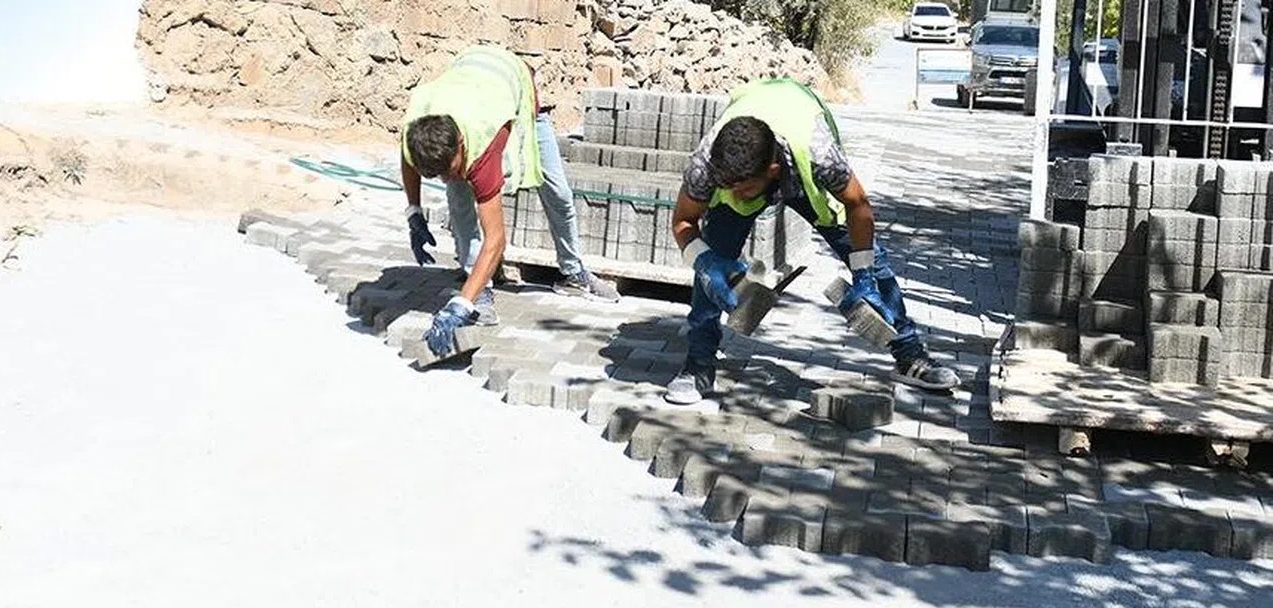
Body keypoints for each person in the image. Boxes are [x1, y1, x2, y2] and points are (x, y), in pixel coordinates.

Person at [666, 77, 960, 405]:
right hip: (757, 138)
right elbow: (682, 221)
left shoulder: (819, 154)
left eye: (744, 188)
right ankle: (699, 363)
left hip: (801, 159)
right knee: (711, 269)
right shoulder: (707, 164)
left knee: (871, 260)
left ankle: (910, 355)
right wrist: (705, 262)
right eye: (729, 186)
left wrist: (862, 276)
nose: (735, 194)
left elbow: (858, 205)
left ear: (773, 170)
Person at [399, 44, 620, 357]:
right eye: (439, 175)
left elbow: (496, 240)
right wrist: (413, 212)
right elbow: (408, 160)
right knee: (459, 200)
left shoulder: (483, 142)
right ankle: (481, 291)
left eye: (451, 169)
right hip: (469, 77)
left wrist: (458, 305)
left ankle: (573, 272)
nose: (449, 177)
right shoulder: (416, 130)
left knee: (557, 192)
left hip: (518, 96)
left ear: (461, 144)